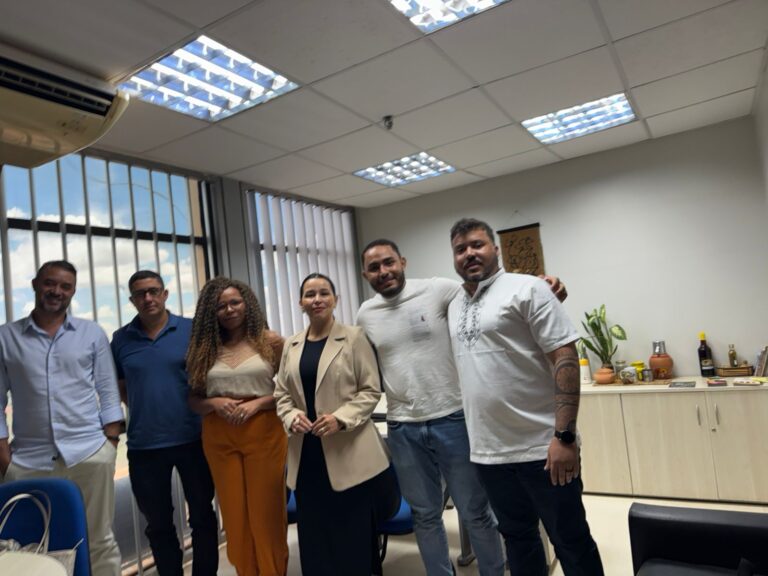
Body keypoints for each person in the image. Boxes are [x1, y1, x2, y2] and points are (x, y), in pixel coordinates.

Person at [357, 239, 566, 576]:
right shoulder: (365, 314)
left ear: (402, 262)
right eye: (374, 267)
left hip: (453, 419)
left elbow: (488, 289)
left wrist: (542, 285)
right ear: (365, 274)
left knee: (475, 513)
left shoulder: (438, 290)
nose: (383, 271)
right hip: (402, 426)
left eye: (389, 262)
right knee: (425, 515)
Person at [447, 218, 603, 576]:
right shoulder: (454, 303)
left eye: (477, 244)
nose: (469, 253)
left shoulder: (528, 288)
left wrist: (564, 437)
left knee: (571, 541)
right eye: (460, 249)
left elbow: (565, 357)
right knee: (517, 540)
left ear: (495, 249)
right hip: (489, 453)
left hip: (543, 449)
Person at [0, 260, 123, 576]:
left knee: (99, 540)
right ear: (35, 285)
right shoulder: (6, 337)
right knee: (27, 544)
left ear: (73, 291)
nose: (57, 291)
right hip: (27, 460)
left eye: (65, 286)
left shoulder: (91, 333)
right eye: (50, 283)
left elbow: (108, 390)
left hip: (89, 454)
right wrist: (3, 454)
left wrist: (109, 444)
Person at [274, 273, 392, 576]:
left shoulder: (354, 338)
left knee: (351, 536)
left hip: (348, 452)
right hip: (306, 455)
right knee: (314, 537)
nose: (317, 300)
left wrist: (340, 418)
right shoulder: (292, 345)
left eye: (324, 293)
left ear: (335, 300)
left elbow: (370, 390)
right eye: (310, 294)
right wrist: (290, 416)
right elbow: (282, 394)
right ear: (300, 303)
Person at [111, 270, 218, 576]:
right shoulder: (121, 339)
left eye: (153, 291)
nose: (148, 298)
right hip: (145, 445)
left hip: (193, 438)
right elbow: (121, 387)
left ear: (165, 294)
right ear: (132, 300)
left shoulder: (191, 329)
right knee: (158, 525)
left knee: (202, 516)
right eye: (140, 294)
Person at [185, 277, 288, 576]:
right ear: (211, 312)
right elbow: (193, 400)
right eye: (221, 306)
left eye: (235, 302)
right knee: (234, 516)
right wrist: (214, 403)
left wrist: (258, 403)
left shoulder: (271, 342)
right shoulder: (204, 349)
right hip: (219, 436)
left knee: (266, 514)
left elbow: (290, 391)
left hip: (264, 432)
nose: (229, 310)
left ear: (247, 304)